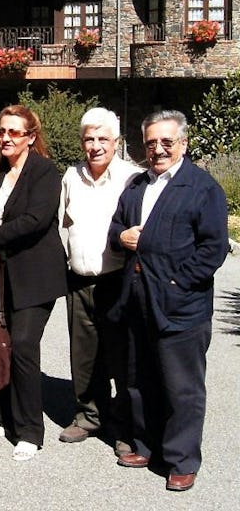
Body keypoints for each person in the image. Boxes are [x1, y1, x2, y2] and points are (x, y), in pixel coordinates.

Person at [108, 110, 229, 492]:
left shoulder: (201, 187)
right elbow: (116, 229)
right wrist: (122, 237)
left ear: (183, 144)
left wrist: (178, 283)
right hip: (137, 299)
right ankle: (146, 445)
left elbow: (213, 248)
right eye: (150, 143)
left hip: (180, 305)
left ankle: (181, 459)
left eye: (166, 142)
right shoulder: (136, 185)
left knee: (182, 387)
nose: (158, 149)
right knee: (139, 380)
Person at [0, 105, 67, 461]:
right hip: (2, 276)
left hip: (36, 276)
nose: (6, 138)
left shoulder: (44, 173)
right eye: (2, 131)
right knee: (2, 342)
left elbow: (35, 220)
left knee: (25, 344)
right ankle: (5, 417)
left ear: (30, 137)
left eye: (15, 132)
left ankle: (30, 431)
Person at [58, 107, 142, 456]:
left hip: (117, 280)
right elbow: (62, 222)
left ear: (116, 142)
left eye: (102, 138)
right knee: (84, 355)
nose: (95, 145)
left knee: (120, 357)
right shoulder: (71, 176)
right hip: (78, 280)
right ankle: (90, 415)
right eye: (89, 138)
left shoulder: (132, 178)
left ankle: (124, 427)